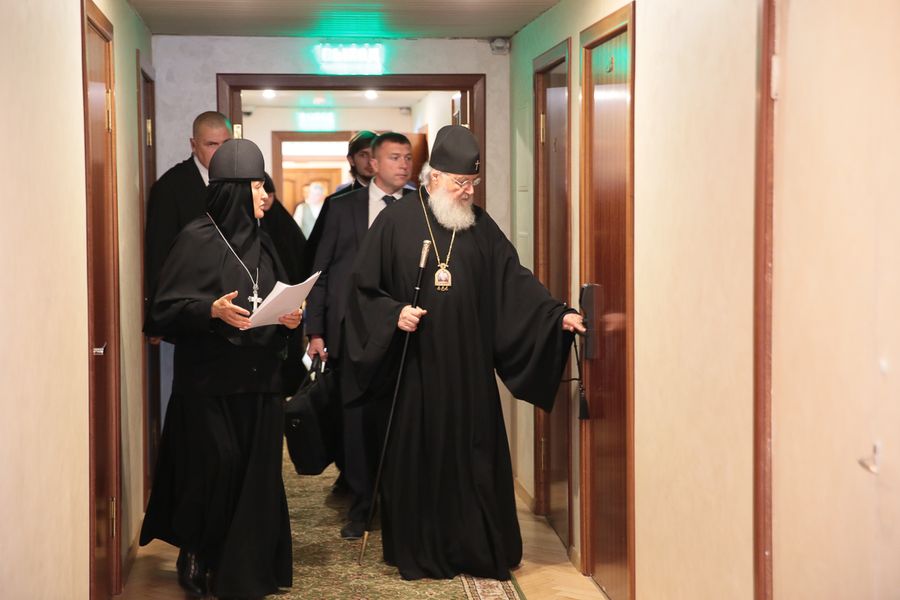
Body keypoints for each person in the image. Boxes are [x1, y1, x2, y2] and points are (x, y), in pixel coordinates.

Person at [342, 125, 585, 581]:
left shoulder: (480, 226)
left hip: (469, 371)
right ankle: (421, 549)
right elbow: (361, 292)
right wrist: (394, 314)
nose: (468, 191)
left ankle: (476, 548)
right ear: (434, 177)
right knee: (421, 460)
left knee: (474, 458)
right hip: (415, 370)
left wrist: (556, 316)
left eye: (473, 183)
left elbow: (513, 280)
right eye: (460, 183)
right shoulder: (394, 222)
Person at [140, 138, 301, 599]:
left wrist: (289, 319)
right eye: (257, 186)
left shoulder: (264, 241)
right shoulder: (195, 238)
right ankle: (197, 552)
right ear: (233, 190)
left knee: (256, 474)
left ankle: (247, 566)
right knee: (214, 468)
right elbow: (162, 312)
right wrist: (210, 310)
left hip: (260, 379)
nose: (265, 195)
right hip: (209, 382)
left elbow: (273, 297)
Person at [306, 132, 415, 540]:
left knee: (401, 419)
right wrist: (315, 330)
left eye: (408, 158)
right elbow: (321, 272)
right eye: (394, 157)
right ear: (373, 163)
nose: (403, 165)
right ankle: (362, 505)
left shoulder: (420, 207)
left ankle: (402, 505)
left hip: (404, 330)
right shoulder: (342, 207)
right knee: (355, 422)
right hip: (350, 332)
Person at [144, 111, 232, 305]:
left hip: (234, 295)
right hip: (190, 299)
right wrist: (161, 309)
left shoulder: (241, 181)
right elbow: (159, 253)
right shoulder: (169, 187)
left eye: (226, 144)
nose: (221, 152)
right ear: (194, 145)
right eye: (211, 144)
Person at [297, 129, 377, 281]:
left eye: (374, 155)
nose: (369, 161)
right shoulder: (335, 202)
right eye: (363, 155)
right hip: (345, 284)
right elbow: (316, 252)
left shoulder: (396, 198)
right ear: (351, 160)